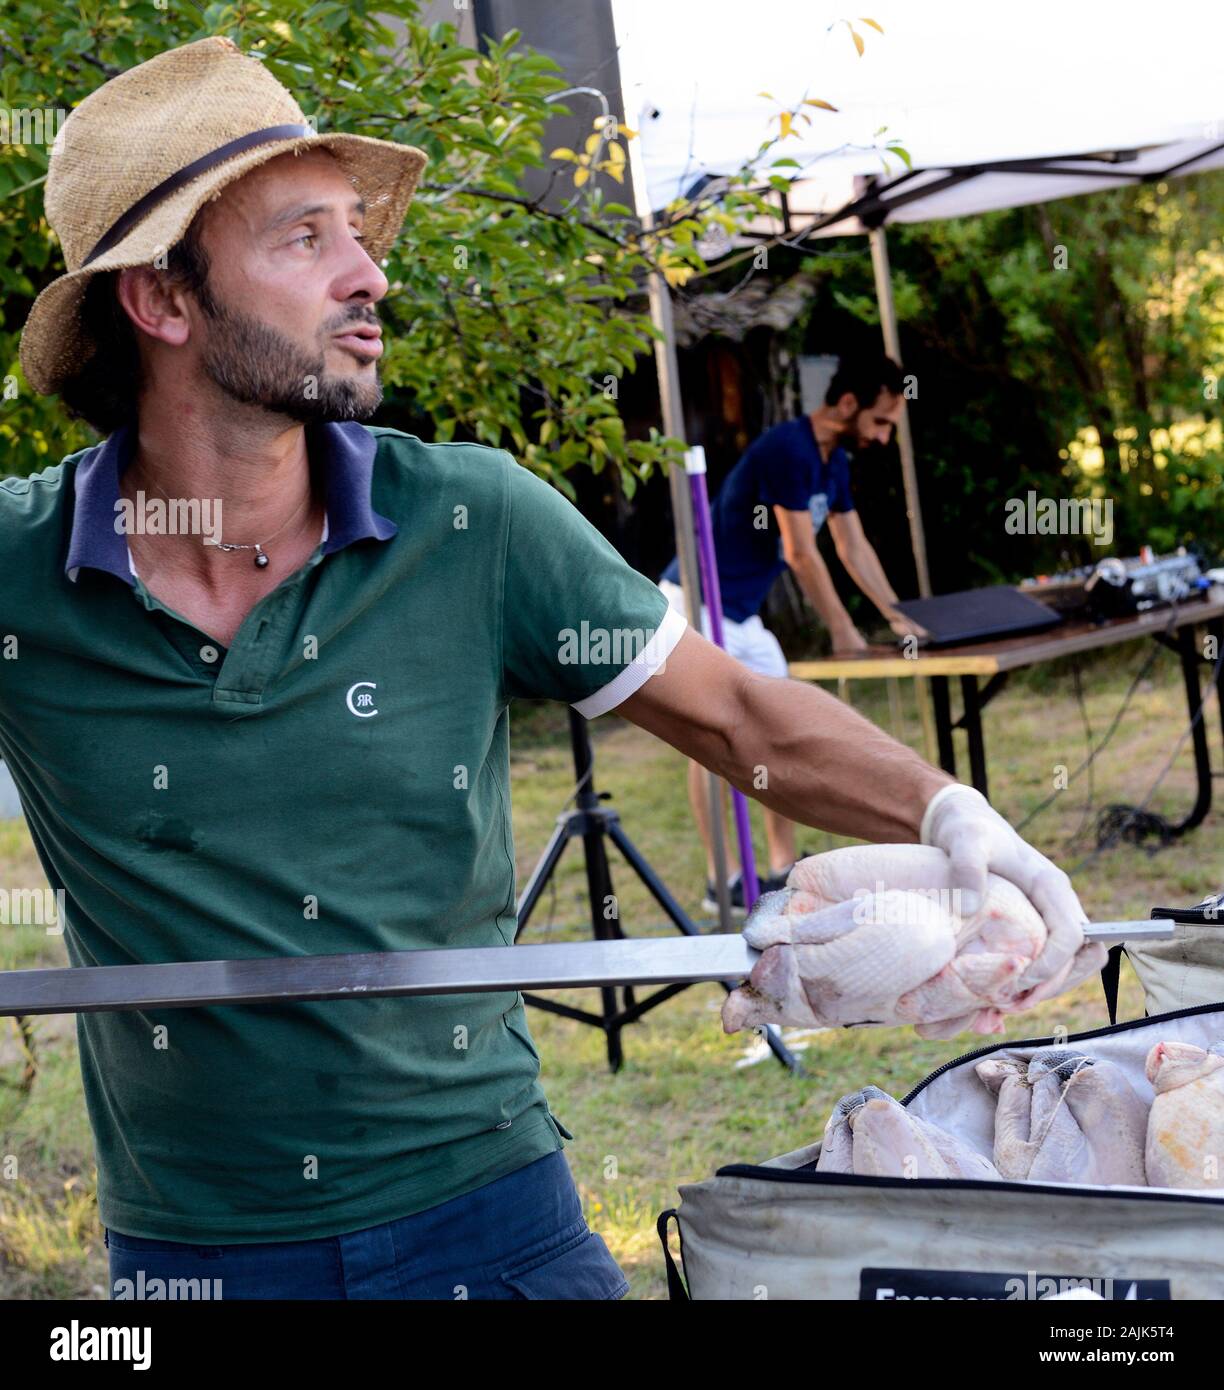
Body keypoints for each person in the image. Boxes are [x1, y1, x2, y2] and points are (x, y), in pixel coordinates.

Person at [3, 38, 1096, 1302]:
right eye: (304, 239)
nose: (369, 275)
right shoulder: (22, 568)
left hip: (492, 1221)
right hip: (189, 1262)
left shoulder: (475, 522)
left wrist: (957, 815)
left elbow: (741, 711)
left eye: (358, 232)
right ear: (164, 301)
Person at [657, 355, 925, 913]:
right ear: (848, 404)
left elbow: (853, 547)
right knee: (708, 737)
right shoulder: (789, 448)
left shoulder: (833, 462)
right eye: (880, 421)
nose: (882, 436)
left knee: (777, 731)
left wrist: (900, 616)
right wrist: (843, 632)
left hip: (743, 615)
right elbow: (802, 553)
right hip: (696, 601)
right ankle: (720, 879)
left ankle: (780, 867)